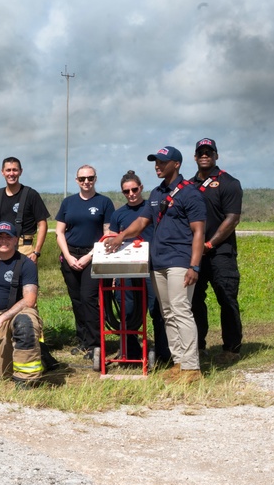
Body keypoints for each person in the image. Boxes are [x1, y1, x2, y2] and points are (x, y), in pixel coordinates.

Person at [104, 147, 206, 383]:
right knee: (167, 313)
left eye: (162, 162)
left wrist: (195, 266)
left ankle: (192, 368)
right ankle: (179, 362)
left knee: (181, 311)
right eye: (155, 162)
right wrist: (121, 236)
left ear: (177, 164)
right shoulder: (157, 193)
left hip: (180, 260)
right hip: (158, 262)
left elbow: (199, 231)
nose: (157, 166)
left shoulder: (190, 193)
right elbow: (141, 221)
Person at [190, 137, 243, 364]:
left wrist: (209, 244)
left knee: (227, 298)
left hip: (221, 253)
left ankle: (232, 349)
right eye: (201, 152)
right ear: (195, 157)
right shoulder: (188, 186)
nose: (205, 155)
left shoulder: (229, 182)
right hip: (194, 255)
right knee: (194, 302)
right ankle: (199, 347)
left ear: (216, 156)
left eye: (209, 152)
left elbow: (232, 219)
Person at [108, 171, 169, 366]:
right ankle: (130, 353)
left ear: (141, 188)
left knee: (157, 310)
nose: (131, 194)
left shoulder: (151, 209)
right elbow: (111, 240)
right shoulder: (118, 214)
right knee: (128, 311)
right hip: (127, 270)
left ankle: (163, 353)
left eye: (134, 189)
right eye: (127, 191)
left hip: (152, 268)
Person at [54, 165, 115, 359]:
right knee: (77, 300)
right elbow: (59, 232)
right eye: (82, 179)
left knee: (89, 299)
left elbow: (107, 234)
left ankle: (95, 344)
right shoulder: (68, 203)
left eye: (90, 178)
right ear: (76, 181)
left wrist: (89, 256)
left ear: (95, 179)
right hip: (70, 256)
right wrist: (69, 256)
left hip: (93, 256)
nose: (86, 182)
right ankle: (83, 340)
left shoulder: (104, 202)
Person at [0, 222, 45, 387]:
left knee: (25, 322)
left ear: (16, 240)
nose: (3, 241)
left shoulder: (26, 264)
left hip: (16, 316)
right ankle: (41, 356)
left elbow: (30, 300)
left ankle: (27, 379)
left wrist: (2, 319)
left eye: (8, 237)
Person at [0, 157, 50, 262]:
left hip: (24, 249)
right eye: (8, 170)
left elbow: (42, 224)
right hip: (0, 248)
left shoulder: (31, 195)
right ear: (2, 172)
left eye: (15, 170)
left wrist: (36, 252)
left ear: (21, 172)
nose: (11, 174)